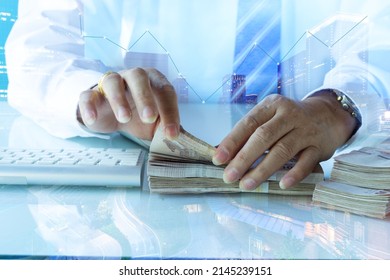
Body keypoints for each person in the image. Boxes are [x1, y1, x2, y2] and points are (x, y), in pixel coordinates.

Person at [5, 0, 389, 190]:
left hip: (322, 182)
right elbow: (38, 50)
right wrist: (89, 95)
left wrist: (340, 106)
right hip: (135, 189)